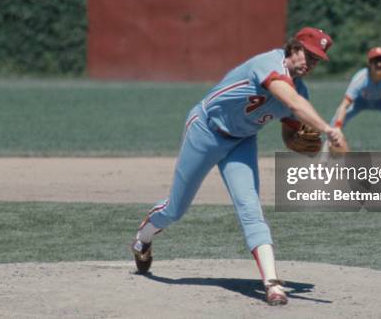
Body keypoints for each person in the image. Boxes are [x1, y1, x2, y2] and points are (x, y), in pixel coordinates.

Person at [131, 27, 344, 306]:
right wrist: (327, 129)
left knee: (251, 209)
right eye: (308, 54)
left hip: (241, 142)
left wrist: (302, 143)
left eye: (316, 60)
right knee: (175, 209)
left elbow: (291, 128)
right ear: (294, 48)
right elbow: (290, 99)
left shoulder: (300, 89)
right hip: (205, 131)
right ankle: (142, 238)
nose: (310, 63)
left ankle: (272, 284)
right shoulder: (269, 63)